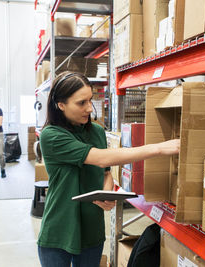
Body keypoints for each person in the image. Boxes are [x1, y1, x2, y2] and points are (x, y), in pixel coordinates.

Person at [37, 71, 180, 267]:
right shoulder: (51, 135)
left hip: (92, 228)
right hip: (59, 227)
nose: (89, 108)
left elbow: (105, 171)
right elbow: (100, 157)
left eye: (90, 100)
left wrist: (106, 192)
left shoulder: (96, 131)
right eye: (81, 103)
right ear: (61, 105)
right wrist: (159, 148)